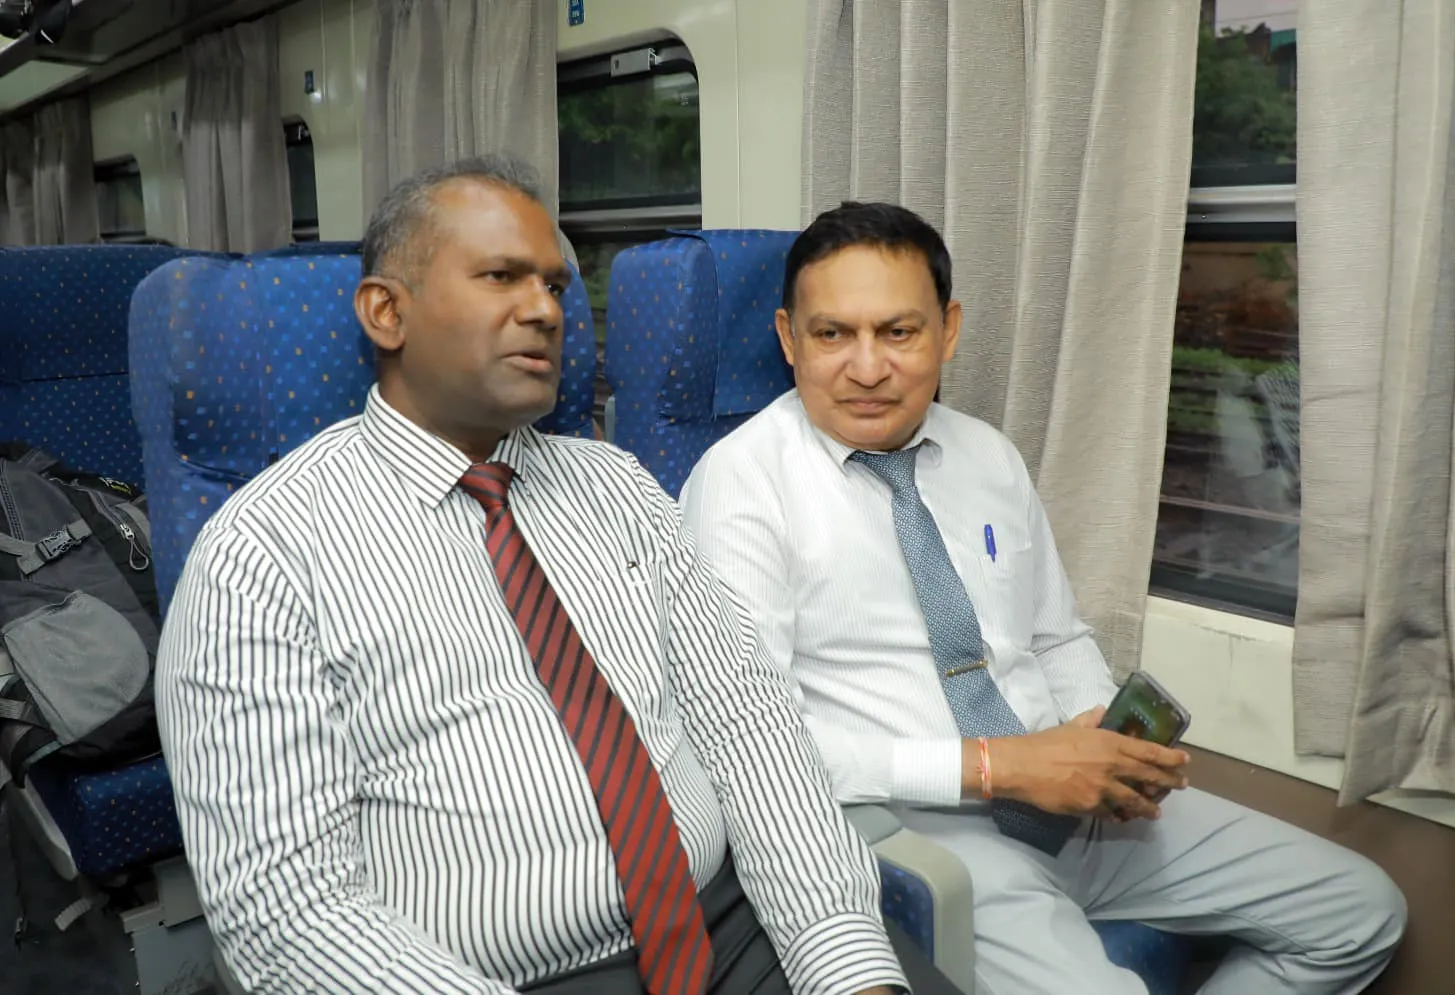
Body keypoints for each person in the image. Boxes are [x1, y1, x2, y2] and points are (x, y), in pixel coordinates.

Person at [155, 161, 961, 995]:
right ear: (386, 312)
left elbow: (750, 728)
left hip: (732, 927)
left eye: (553, 284)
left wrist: (843, 959)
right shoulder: (259, 556)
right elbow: (292, 913)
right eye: (502, 277)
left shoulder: (618, 486)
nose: (546, 310)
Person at [678, 201, 1408, 995]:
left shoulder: (987, 455)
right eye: (832, 335)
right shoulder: (741, 485)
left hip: (1074, 803)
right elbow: (752, 748)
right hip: (917, 830)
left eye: (898, 332)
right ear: (789, 338)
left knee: (1360, 911)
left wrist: (1103, 744)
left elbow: (1055, 637)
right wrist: (995, 766)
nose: (866, 367)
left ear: (947, 330)